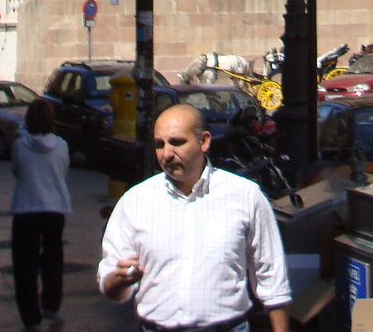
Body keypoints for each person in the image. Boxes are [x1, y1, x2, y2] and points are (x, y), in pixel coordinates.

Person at [98, 101, 291, 332]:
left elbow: (272, 280)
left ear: (204, 141)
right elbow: (110, 284)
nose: (167, 154)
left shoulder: (245, 197)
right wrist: (119, 281)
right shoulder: (135, 202)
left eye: (177, 142)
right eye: (160, 145)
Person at [10, 97, 72, 330]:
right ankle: (52, 304)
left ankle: (30, 316)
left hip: (26, 208)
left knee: (24, 266)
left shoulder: (19, 145)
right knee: (53, 259)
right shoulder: (62, 146)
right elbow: (63, 170)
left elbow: (16, 171)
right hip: (55, 208)